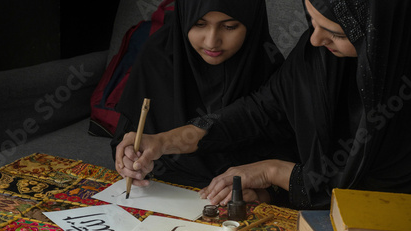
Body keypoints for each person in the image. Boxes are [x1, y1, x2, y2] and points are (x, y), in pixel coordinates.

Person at [116, 0, 411, 209]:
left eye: (334, 32)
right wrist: (163, 141)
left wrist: (272, 172)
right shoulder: (319, 57)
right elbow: (258, 111)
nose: (315, 40)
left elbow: (367, 201)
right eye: (311, 22)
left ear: (379, 36)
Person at [111, 0, 285, 188]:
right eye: (199, 24)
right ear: (183, 18)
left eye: (229, 26)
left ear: (252, 22)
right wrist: (129, 161)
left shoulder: (270, 68)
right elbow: (127, 136)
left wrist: (263, 193)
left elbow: (291, 160)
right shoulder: (158, 56)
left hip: (236, 197)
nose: (211, 41)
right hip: (159, 190)